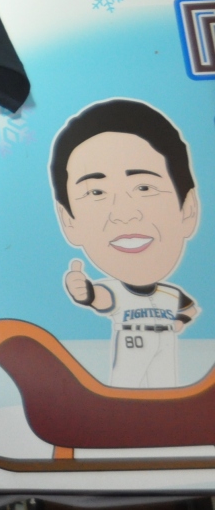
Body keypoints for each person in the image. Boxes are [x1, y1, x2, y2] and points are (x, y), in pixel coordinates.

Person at [54, 99, 202, 388]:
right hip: (131, 349)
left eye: (144, 187)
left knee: (166, 386)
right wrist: (83, 290)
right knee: (126, 387)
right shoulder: (115, 290)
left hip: (165, 346)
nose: (124, 214)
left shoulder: (172, 294)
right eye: (96, 192)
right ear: (69, 221)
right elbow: (98, 297)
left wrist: (179, 323)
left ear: (188, 209)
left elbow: (189, 310)